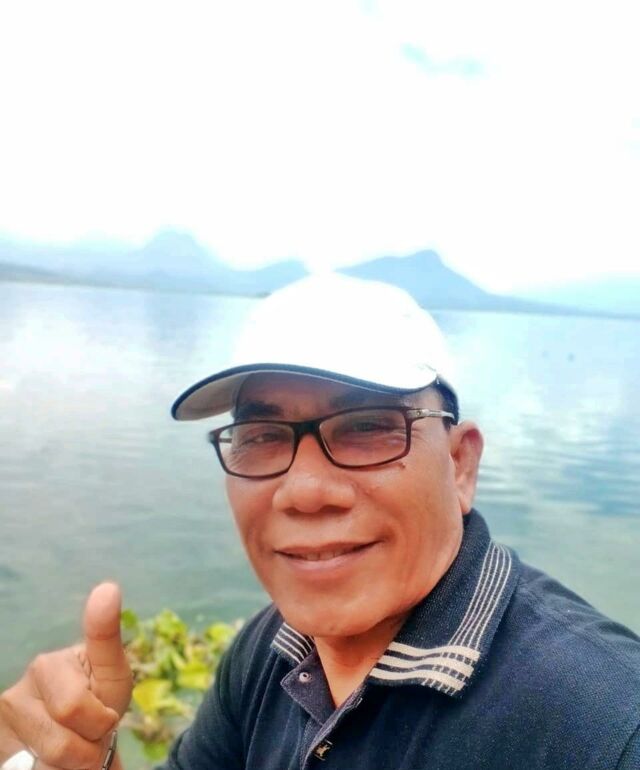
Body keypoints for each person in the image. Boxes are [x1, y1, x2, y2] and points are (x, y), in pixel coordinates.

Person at [1, 273, 639, 770]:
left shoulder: (608, 726)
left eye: (367, 427)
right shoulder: (270, 650)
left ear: (459, 464)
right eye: (261, 435)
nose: (304, 492)